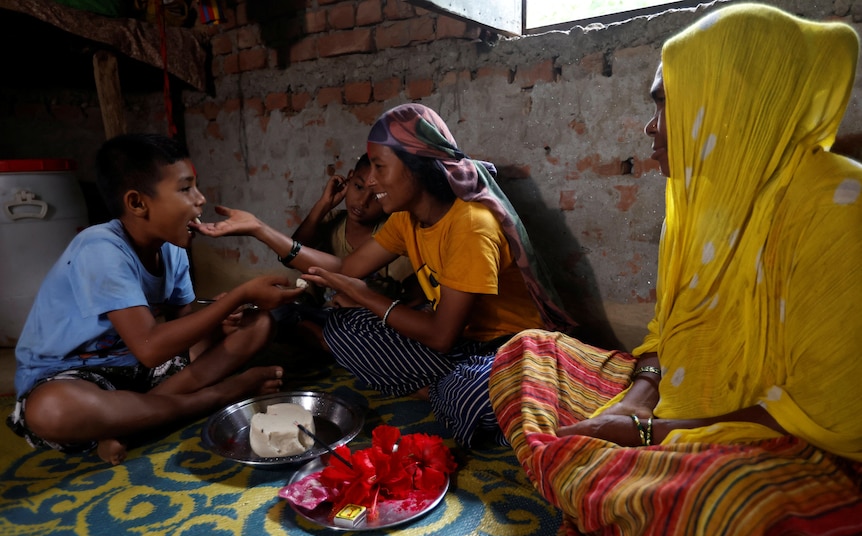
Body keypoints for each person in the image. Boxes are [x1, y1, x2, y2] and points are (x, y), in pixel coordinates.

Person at [489, 4, 862, 536]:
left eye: (664, 101)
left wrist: (647, 431)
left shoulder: (840, 207)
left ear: (729, 99)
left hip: (790, 440)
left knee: (727, 512)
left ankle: (596, 481)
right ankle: (612, 486)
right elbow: (668, 333)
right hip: (676, 402)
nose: (650, 126)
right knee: (528, 352)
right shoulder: (696, 207)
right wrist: (639, 399)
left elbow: (830, 414)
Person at [193, 103, 575, 447]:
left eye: (379, 167)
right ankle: (444, 388)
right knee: (344, 328)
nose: (371, 182)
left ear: (416, 166)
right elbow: (345, 268)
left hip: (510, 350)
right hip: (463, 348)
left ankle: (456, 390)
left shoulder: (470, 225)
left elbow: (441, 336)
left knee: (465, 392)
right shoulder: (407, 219)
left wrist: (361, 293)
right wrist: (260, 228)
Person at [7, 133, 301, 466]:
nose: (200, 199)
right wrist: (239, 294)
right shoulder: (100, 249)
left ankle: (126, 423)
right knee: (51, 412)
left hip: (135, 372)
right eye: (185, 188)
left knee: (257, 324)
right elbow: (150, 348)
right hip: (71, 376)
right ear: (136, 203)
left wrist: (225, 314)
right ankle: (221, 396)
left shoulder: (172, 248)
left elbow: (182, 327)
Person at [273, 154, 414, 348]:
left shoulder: (393, 233)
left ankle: (326, 342)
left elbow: (405, 298)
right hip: (325, 313)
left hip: (367, 316)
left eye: (376, 196)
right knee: (276, 310)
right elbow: (290, 256)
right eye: (358, 186)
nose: (363, 202)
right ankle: (325, 340)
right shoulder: (330, 221)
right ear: (349, 178)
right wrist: (323, 204)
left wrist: (358, 303)